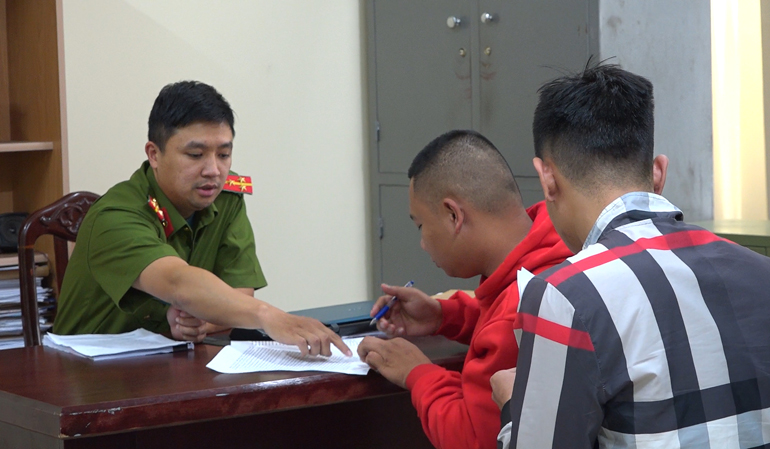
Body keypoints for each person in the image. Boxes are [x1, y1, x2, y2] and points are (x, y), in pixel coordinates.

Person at [494, 63, 770, 448]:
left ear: (548, 179)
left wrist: (514, 408)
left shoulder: (565, 296)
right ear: (658, 172)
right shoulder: (761, 272)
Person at [53, 81, 350, 357]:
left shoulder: (226, 195)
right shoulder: (115, 216)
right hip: (87, 375)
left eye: (223, 154)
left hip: (173, 363)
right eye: (195, 155)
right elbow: (178, 282)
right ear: (154, 154)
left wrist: (199, 324)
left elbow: (238, 293)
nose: (213, 170)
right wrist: (269, 316)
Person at [357, 130, 572, 449]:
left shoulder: (514, 315)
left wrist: (417, 373)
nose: (422, 243)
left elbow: (471, 438)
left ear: (453, 215)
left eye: (421, 226)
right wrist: (446, 316)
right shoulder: (562, 242)